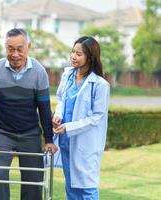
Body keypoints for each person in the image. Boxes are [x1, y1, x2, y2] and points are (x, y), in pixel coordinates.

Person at [0, 28, 57, 200]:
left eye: (19, 49)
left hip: (30, 133)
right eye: (10, 49)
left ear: (28, 47)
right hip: (2, 132)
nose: (15, 54)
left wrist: (49, 140)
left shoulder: (39, 72)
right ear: (5, 47)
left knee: (33, 179)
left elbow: (44, 108)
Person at [52, 36, 110, 200]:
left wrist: (69, 127)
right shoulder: (68, 75)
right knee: (70, 185)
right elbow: (62, 99)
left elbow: (96, 117)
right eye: (73, 52)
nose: (73, 56)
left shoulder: (99, 85)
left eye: (79, 54)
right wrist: (58, 115)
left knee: (87, 188)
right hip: (66, 140)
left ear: (90, 57)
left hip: (85, 143)